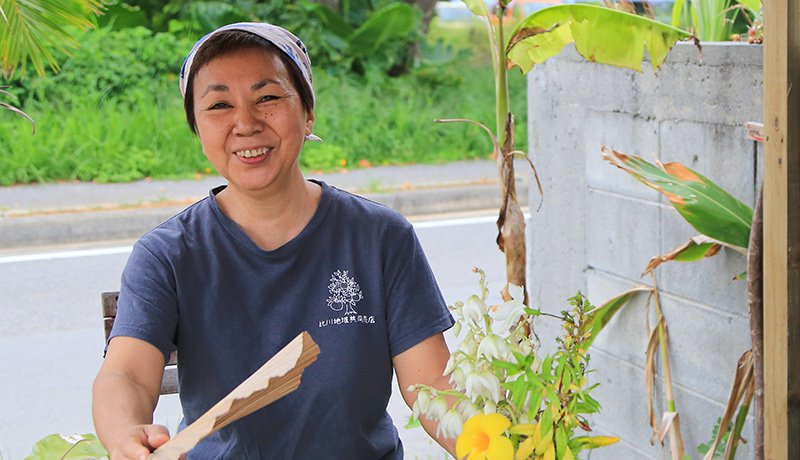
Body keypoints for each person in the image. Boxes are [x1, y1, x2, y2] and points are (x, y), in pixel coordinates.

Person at [92, 22, 456, 459]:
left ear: (307, 113)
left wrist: (495, 445)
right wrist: (125, 435)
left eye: (267, 97)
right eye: (219, 105)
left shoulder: (379, 237)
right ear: (198, 129)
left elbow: (431, 383)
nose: (245, 123)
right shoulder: (168, 255)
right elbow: (127, 374)